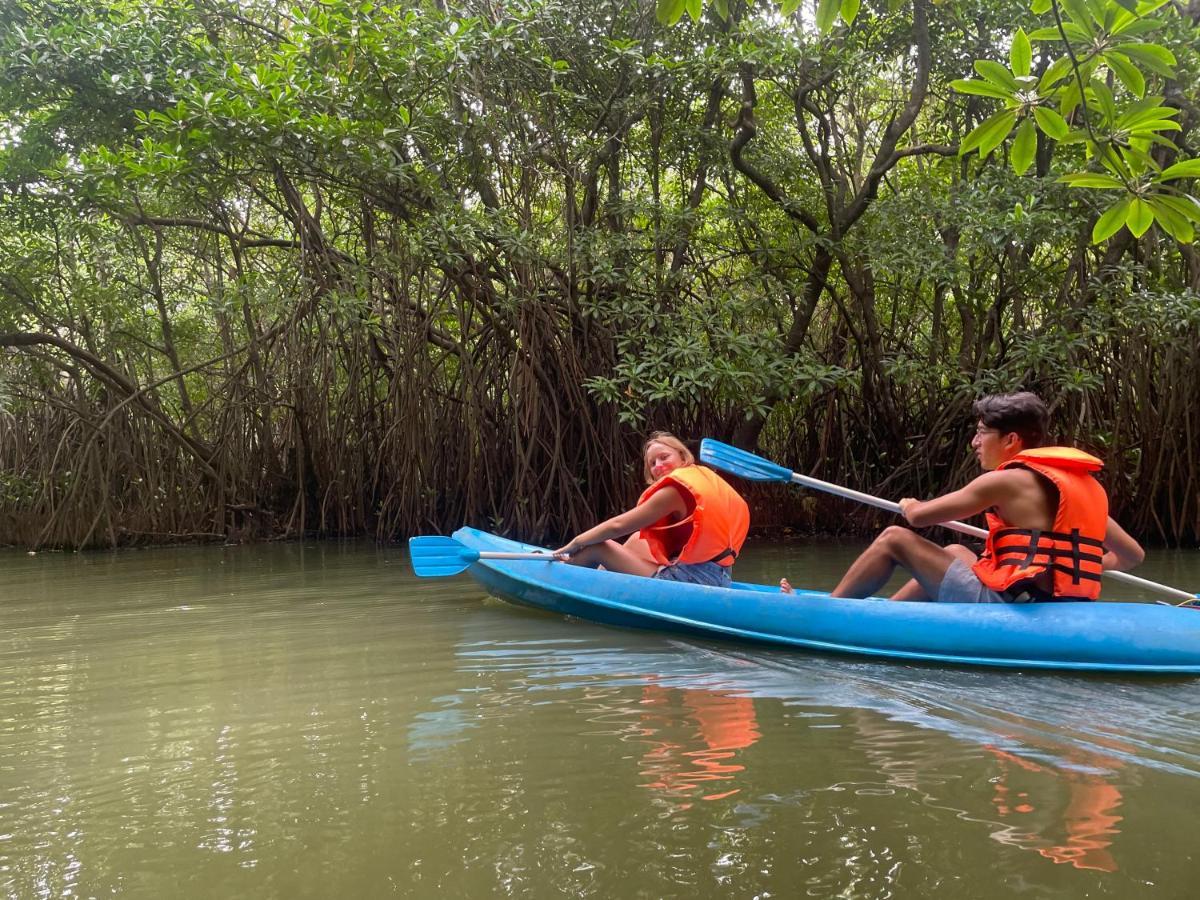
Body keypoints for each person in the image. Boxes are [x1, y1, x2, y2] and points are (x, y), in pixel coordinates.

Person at [788, 392, 1144, 602]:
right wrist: (1089, 565)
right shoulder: (1078, 489)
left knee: (895, 539)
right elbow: (1132, 555)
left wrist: (912, 506)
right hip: (1051, 600)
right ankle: (890, 615)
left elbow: (920, 519)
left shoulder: (1005, 482)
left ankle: (826, 612)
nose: (975, 443)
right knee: (958, 552)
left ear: (1011, 441)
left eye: (981, 433)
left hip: (1013, 605)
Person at [554, 432, 750, 587]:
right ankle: (602, 578)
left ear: (682, 457)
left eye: (664, 457)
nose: (658, 466)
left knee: (597, 546)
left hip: (692, 583)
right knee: (638, 539)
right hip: (720, 577)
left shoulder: (674, 492)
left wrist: (576, 542)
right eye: (652, 463)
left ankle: (560, 576)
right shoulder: (702, 477)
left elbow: (618, 525)